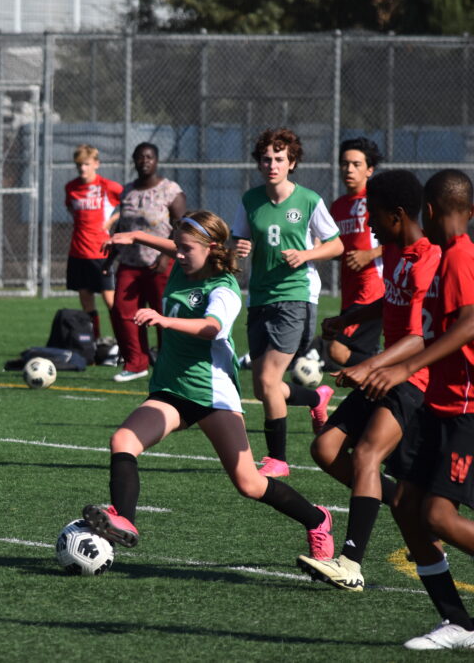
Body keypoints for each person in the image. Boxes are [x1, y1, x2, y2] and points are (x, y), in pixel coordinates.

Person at [81, 211, 333, 562]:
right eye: (177, 248)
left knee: (249, 483)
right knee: (123, 441)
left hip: (212, 394)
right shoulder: (184, 264)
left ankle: (318, 520)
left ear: (210, 248)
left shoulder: (223, 288)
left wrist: (163, 319)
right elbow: (174, 245)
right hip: (171, 390)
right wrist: (136, 236)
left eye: (186, 249)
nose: (179, 255)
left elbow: (212, 327)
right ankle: (125, 519)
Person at [298, 170, 440, 592]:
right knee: (325, 448)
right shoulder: (396, 251)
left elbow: (421, 336)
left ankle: (350, 563)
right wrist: (349, 318)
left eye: (374, 217)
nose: (369, 227)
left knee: (366, 456)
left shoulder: (427, 259)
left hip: (413, 376)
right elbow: (389, 300)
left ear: (397, 215)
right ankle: (397, 501)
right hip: (385, 371)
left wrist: (370, 365)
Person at [362, 169, 474, 650]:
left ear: (427, 211)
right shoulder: (447, 257)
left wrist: (408, 368)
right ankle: (458, 623)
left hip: (464, 409)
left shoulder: (461, 258)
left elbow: (469, 326)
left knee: (440, 517)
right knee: (407, 506)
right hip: (436, 407)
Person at [232, 128, 343, 478]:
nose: (272, 164)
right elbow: (237, 242)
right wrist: (239, 249)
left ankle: (278, 459)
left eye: (279, 158)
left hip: (296, 296)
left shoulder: (309, 200)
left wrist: (307, 254)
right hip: (260, 297)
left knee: (266, 378)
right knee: (264, 386)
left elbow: (337, 245)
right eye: (266, 158)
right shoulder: (251, 200)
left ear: (292, 162)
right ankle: (316, 398)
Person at [105, 142, 186, 382]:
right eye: (140, 157)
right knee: (123, 310)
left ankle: (168, 361)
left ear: (157, 160)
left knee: (163, 313)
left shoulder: (170, 190)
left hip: (159, 263)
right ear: (134, 160)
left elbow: (181, 225)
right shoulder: (127, 190)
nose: (144, 161)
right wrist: (111, 257)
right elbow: (124, 226)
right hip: (130, 263)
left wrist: (164, 256)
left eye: (149, 157)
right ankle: (136, 363)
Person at [323, 137, 385, 370]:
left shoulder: (377, 200)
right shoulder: (337, 206)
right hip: (349, 291)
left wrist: (370, 254)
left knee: (337, 351)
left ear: (369, 169)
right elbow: (335, 247)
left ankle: (393, 372)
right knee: (356, 354)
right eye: (344, 163)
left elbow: (408, 240)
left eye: (356, 164)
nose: (349, 169)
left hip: (372, 290)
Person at [64, 144, 123, 341]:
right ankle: (94, 341)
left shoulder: (108, 187)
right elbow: (71, 210)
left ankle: (124, 344)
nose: (82, 168)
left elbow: (130, 204)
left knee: (110, 301)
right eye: (79, 164)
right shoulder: (71, 188)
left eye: (87, 164)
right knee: (86, 299)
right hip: (78, 252)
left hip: (101, 252)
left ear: (96, 164)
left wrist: (112, 220)